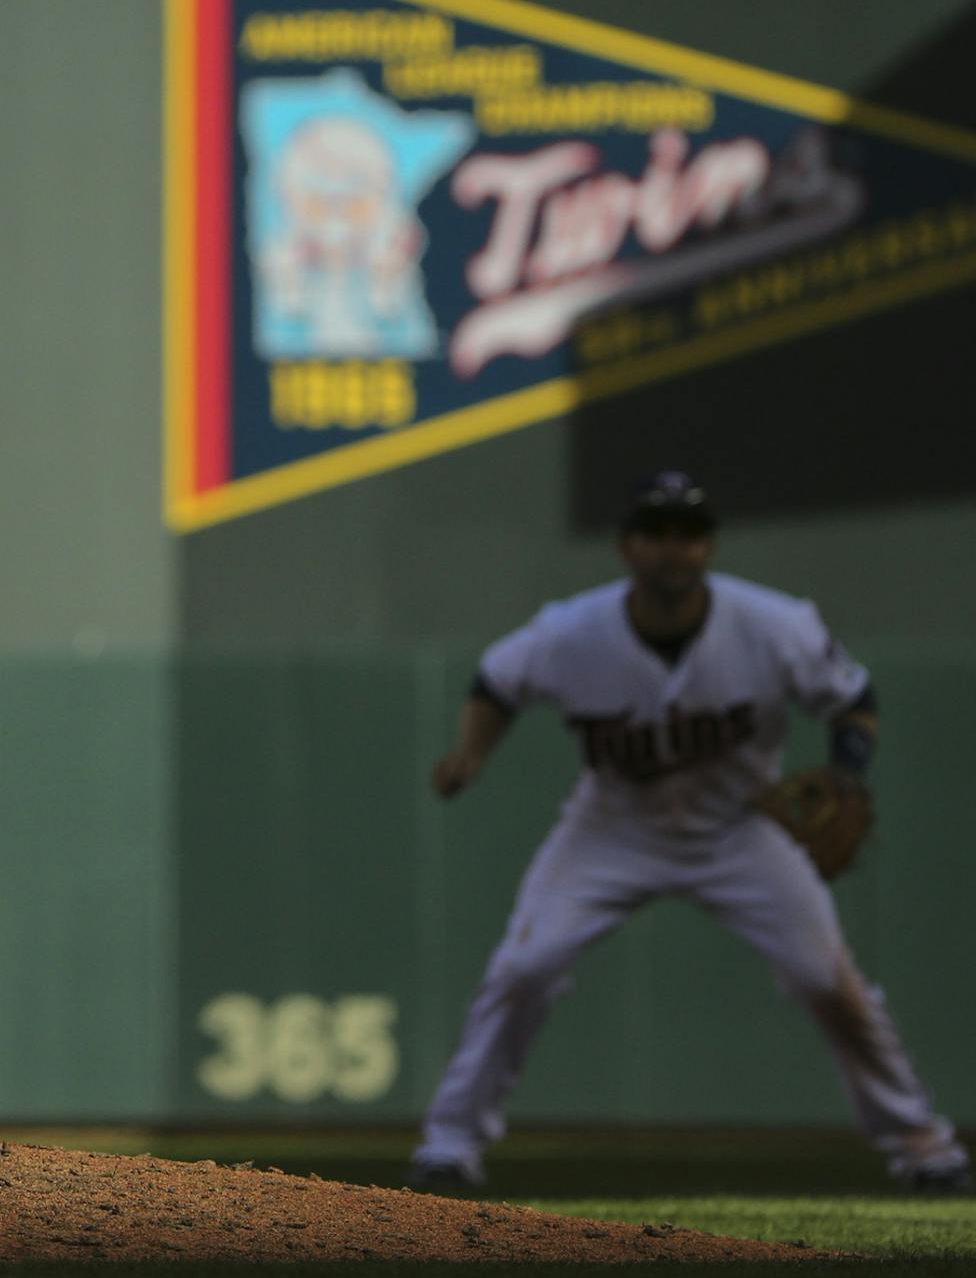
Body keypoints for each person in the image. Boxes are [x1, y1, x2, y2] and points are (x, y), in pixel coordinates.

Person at [408, 472, 969, 1194]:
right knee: (524, 968)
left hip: (739, 829)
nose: (673, 549)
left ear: (708, 547)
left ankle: (923, 1147)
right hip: (612, 826)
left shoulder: (775, 624)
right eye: (656, 533)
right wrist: (472, 754)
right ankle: (449, 1145)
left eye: (688, 534)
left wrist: (847, 771)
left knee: (829, 982)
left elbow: (853, 699)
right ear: (625, 547)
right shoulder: (570, 631)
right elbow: (495, 682)